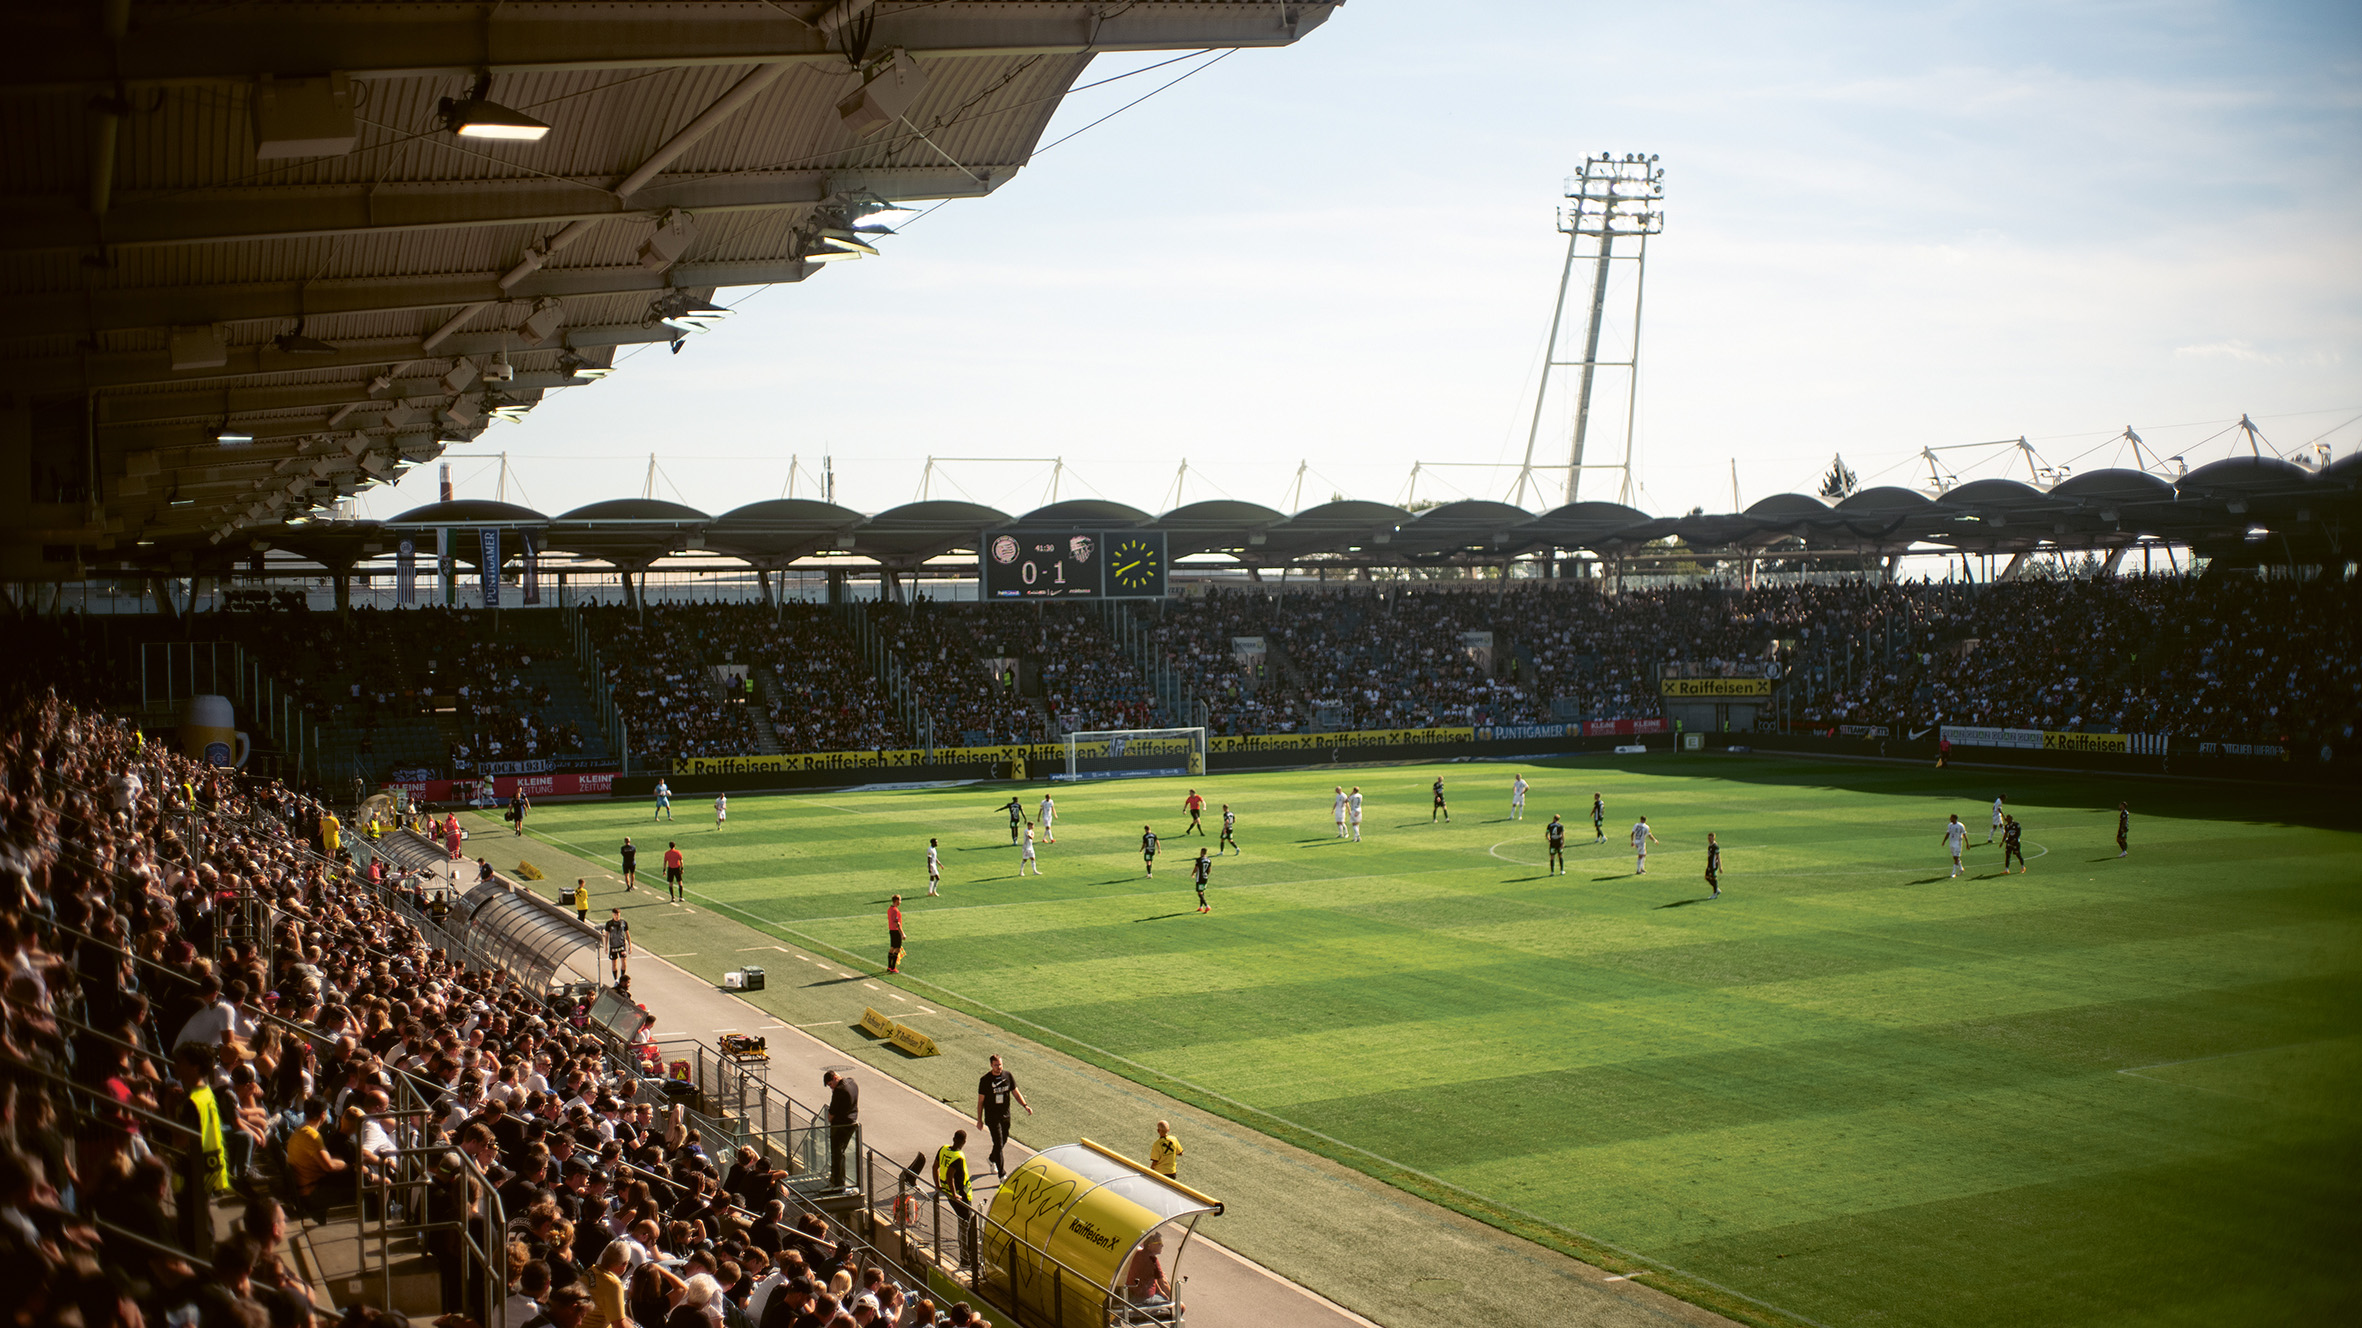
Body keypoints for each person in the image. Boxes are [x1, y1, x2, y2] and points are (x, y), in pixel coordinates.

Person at [974, 1055, 1031, 1176]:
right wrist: (979, 1119)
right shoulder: (985, 1080)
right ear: (991, 1065)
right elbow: (980, 1102)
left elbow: (1015, 1093)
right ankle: (1002, 1174)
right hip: (992, 1116)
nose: (998, 1067)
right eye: (996, 1065)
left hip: (1005, 1115)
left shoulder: (1008, 1076)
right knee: (998, 1143)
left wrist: (1025, 1105)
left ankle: (991, 1159)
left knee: (1003, 1140)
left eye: (1000, 1064)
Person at [934, 1129, 977, 1264]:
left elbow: (935, 1167)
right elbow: (949, 1176)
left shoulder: (943, 1149)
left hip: (947, 1191)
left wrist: (938, 1186)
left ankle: (967, 1255)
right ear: (964, 1142)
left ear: (953, 1139)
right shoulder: (958, 1156)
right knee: (965, 1224)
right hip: (960, 1195)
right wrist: (955, 1195)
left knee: (964, 1223)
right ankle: (965, 1258)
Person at [1121, 1232, 1180, 1317]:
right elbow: (1163, 1283)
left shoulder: (1138, 1254)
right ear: (1150, 1245)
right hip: (1145, 1300)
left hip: (1133, 1295)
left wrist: (1161, 1292)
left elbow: (1152, 1278)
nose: (1162, 1245)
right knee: (1179, 1309)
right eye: (1159, 1243)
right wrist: (1176, 1301)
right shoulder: (1152, 1260)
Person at [824, 1070, 859, 1189]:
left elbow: (831, 1113)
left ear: (835, 1078)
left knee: (837, 1152)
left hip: (840, 1125)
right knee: (841, 1151)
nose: (831, 1087)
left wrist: (830, 1119)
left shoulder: (839, 1091)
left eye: (830, 1084)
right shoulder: (852, 1082)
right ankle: (838, 1180)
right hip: (852, 1121)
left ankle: (838, 1181)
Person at [605, 910, 630, 984]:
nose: (616, 916)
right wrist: (606, 946)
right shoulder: (609, 923)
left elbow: (627, 935)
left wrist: (630, 946)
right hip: (613, 946)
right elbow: (607, 935)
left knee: (624, 961)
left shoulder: (623, 923)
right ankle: (616, 979)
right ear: (613, 914)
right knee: (614, 963)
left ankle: (622, 977)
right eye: (615, 914)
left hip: (621, 945)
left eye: (618, 914)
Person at [1943, 813, 1967, 878]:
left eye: (1951, 818)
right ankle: (1961, 869)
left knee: (1956, 858)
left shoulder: (1960, 825)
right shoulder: (1950, 825)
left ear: (1954, 818)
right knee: (1954, 857)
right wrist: (1944, 841)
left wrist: (1967, 843)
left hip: (1958, 843)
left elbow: (1964, 834)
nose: (1950, 819)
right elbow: (1948, 833)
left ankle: (1953, 873)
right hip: (1951, 843)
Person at [886, 896, 905, 975]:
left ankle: (889, 966)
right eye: (900, 900)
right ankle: (893, 967)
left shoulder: (889, 909)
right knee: (897, 949)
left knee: (892, 948)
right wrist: (902, 933)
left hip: (891, 930)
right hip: (896, 931)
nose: (900, 902)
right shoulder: (895, 910)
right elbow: (897, 923)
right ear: (896, 901)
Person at [1191, 848, 1212, 914]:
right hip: (1205, 877)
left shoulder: (1199, 860)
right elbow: (1209, 870)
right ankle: (1200, 907)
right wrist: (1206, 875)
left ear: (1201, 852)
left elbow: (1196, 868)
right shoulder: (1209, 860)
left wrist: (1193, 873)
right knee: (1202, 891)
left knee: (1199, 893)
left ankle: (1207, 906)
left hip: (1199, 878)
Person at [1705, 832, 1722, 898]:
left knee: (1713, 878)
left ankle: (1715, 893)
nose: (1708, 839)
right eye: (1708, 838)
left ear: (1713, 838)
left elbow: (1718, 857)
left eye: (1710, 838)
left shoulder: (1715, 846)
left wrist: (1720, 867)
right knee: (1707, 877)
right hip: (1709, 864)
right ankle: (1716, 889)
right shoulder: (1710, 846)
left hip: (1713, 865)